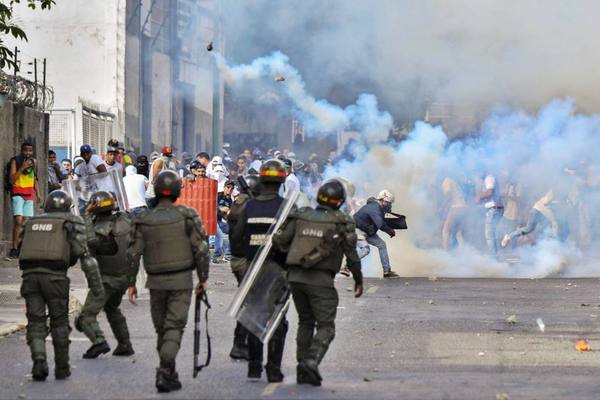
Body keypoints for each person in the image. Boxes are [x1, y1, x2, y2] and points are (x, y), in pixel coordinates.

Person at [273, 179, 363, 386]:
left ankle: (302, 366)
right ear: (340, 201)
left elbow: (279, 241)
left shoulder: (301, 215)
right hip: (321, 279)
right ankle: (311, 361)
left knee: (305, 321)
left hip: (294, 278)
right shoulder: (343, 222)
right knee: (326, 326)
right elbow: (352, 255)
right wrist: (358, 280)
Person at [127, 170, 209, 393]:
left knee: (162, 329)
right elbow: (201, 249)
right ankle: (165, 370)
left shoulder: (143, 219)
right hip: (181, 281)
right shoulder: (187, 215)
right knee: (174, 327)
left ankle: (168, 370)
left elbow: (134, 254)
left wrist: (131, 283)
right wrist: (203, 278)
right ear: (177, 191)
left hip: (155, 283)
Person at [18, 190, 104, 381]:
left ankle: (39, 359)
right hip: (56, 278)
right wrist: (96, 288)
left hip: (30, 277)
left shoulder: (30, 222)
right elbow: (82, 253)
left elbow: (21, 246)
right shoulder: (72, 222)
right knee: (59, 323)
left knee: (36, 321)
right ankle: (62, 367)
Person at [229, 159, 289, 382]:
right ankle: (273, 369)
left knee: (254, 316)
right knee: (277, 322)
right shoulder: (286, 207)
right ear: (282, 180)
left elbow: (235, 241)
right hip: (278, 271)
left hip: (253, 269)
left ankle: (254, 368)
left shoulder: (249, 207)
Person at [75, 191, 134, 359]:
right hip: (124, 277)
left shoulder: (100, 228)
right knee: (112, 308)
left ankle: (98, 342)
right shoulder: (125, 218)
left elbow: (90, 241)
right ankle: (125, 344)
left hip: (106, 279)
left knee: (86, 316)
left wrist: (86, 215)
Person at [227, 174, 261, 361]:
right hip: (245, 259)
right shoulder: (248, 206)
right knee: (251, 303)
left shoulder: (239, 202)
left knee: (250, 301)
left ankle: (241, 343)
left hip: (239, 258)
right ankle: (239, 344)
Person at [7, 142, 42, 260]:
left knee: (27, 223)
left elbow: (34, 179)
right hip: (17, 193)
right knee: (18, 220)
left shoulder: (34, 163)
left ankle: (22, 246)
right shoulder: (15, 161)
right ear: (21, 150)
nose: (28, 153)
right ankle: (14, 248)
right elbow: (12, 180)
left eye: (30, 151)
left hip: (29, 195)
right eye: (26, 150)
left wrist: (38, 193)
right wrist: (22, 167)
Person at [353, 190, 399, 278]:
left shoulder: (377, 208)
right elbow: (380, 224)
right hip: (357, 230)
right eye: (389, 203)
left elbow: (380, 222)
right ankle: (347, 266)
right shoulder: (374, 207)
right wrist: (390, 231)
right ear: (383, 201)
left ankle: (387, 272)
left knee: (382, 245)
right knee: (365, 250)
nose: (390, 205)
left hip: (367, 231)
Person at [73, 144, 108, 214]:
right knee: (83, 214)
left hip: (99, 193)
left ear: (91, 153)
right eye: (83, 153)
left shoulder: (94, 158)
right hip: (87, 196)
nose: (86, 154)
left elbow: (104, 172)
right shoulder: (80, 166)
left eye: (87, 152)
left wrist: (92, 178)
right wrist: (81, 186)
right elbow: (75, 183)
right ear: (81, 154)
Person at [477, 173, 504, 258]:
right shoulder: (491, 177)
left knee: (490, 236)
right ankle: (496, 257)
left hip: (493, 209)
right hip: (496, 209)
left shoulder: (489, 177)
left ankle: (494, 258)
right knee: (494, 235)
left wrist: (479, 198)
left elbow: (490, 192)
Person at [440, 177, 467, 250]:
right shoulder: (453, 180)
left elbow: (449, 197)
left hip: (456, 207)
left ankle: (446, 252)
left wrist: (442, 208)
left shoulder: (446, 181)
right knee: (459, 233)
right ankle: (464, 253)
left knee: (446, 230)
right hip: (464, 207)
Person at [213, 180, 234, 263]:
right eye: (228, 187)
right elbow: (212, 206)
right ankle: (216, 256)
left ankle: (227, 255)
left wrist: (227, 217)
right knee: (220, 235)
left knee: (234, 231)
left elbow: (225, 214)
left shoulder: (230, 200)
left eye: (232, 188)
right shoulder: (218, 195)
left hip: (220, 221)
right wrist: (220, 208)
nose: (230, 190)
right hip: (212, 220)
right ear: (224, 187)